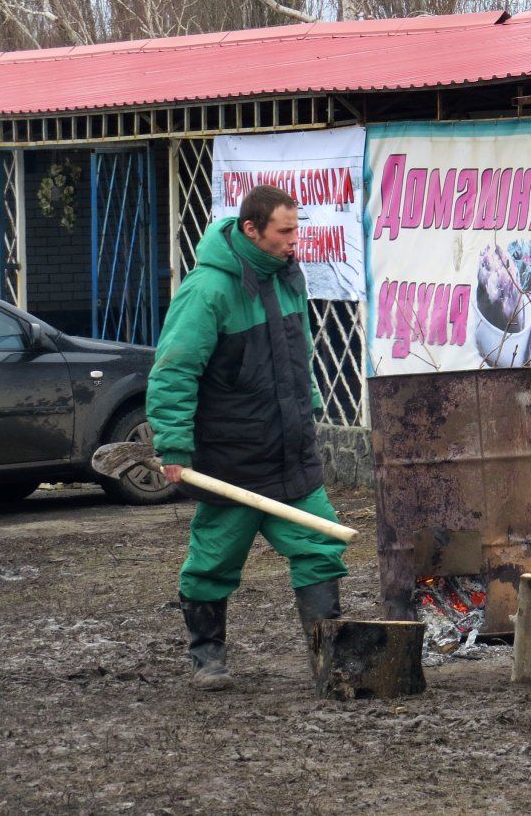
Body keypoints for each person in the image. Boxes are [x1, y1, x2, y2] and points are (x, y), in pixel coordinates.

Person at [147, 185, 348, 692]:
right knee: (213, 563)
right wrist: (173, 445)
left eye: (297, 229)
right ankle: (208, 658)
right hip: (231, 460)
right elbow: (173, 371)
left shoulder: (286, 278)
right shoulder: (207, 291)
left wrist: (312, 406)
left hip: (291, 456)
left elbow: (299, 349)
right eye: (284, 231)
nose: (293, 241)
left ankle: (330, 662)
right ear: (252, 229)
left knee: (321, 546)